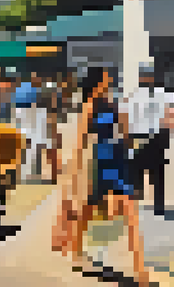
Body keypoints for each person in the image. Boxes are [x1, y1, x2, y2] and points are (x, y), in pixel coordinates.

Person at [58, 67, 151, 287]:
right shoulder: (89, 107)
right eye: (107, 78)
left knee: (131, 211)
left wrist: (127, 134)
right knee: (86, 210)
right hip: (99, 163)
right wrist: (74, 178)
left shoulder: (113, 105)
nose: (110, 80)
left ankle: (140, 271)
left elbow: (126, 135)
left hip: (118, 161)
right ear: (98, 83)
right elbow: (80, 144)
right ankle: (76, 251)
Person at [123, 64, 174, 217]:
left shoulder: (132, 97)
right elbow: (170, 116)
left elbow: (123, 120)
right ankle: (158, 207)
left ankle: (134, 206)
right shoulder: (163, 95)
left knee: (136, 172)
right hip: (156, 139)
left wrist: (125, 139)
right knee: (157, 174)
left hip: (137, 138)